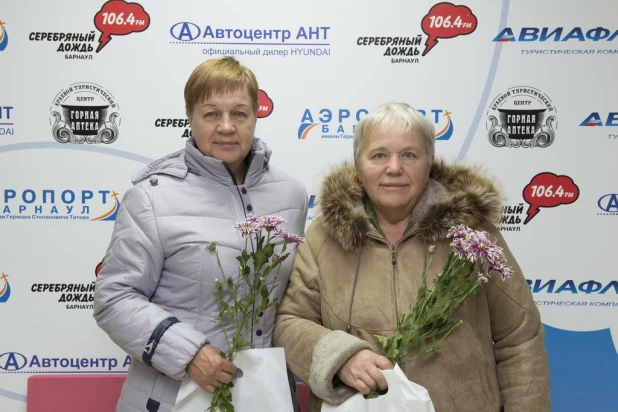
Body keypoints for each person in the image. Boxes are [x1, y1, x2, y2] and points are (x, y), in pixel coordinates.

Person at [273, 102, 550, 412]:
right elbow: (289, 323)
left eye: (409, 155)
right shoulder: (324, 236)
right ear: (357, 165)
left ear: (429, 162)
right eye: (379, 155)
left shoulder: (472, 234)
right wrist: (340, 356)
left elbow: (520, 339)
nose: (394, 168)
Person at [94, 56, 307, 412]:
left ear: (256, 116)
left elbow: (294, 301)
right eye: (211, 114)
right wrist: (187, 351)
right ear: (190, 117)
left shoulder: (291, 194)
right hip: (171, 396)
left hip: (262, 397)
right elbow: (114, 297)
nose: (226, 126)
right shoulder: (152, 196)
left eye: (239, 113)